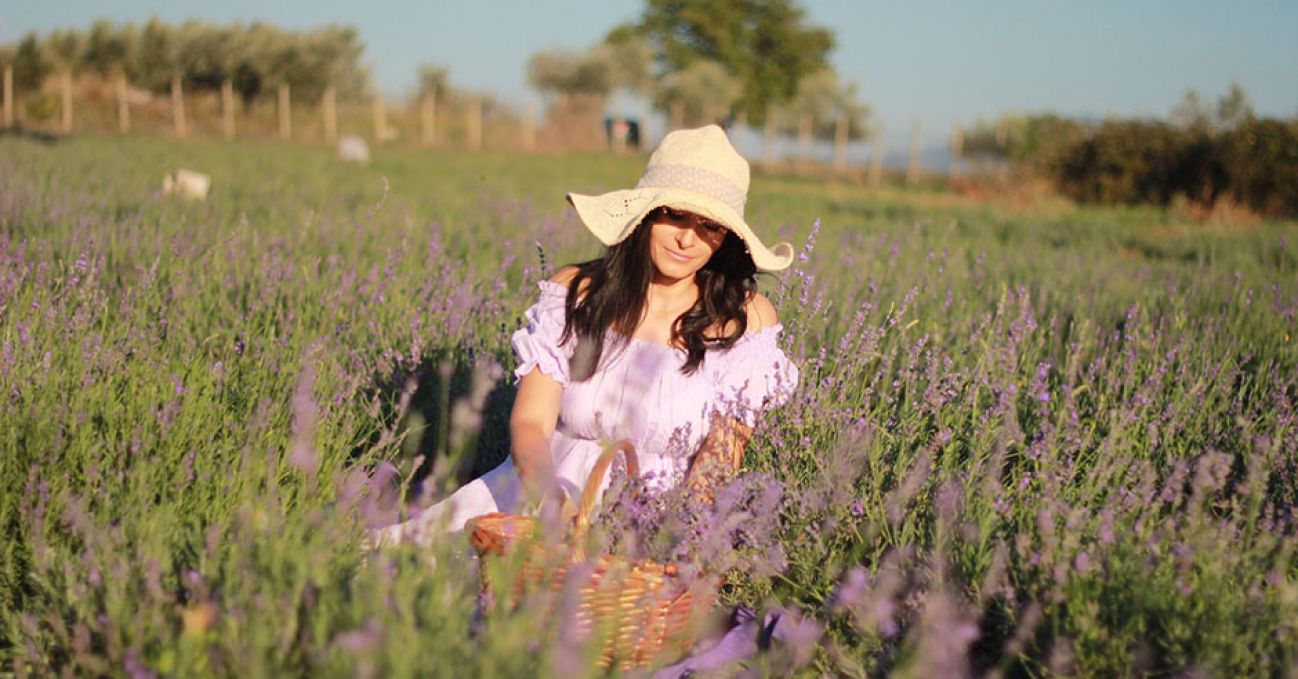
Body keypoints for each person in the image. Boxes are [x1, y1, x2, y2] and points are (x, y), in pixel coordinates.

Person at [372, 125, 800, 547]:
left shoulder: (743, 320)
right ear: (646, 215)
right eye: (674, 215)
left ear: (725, 238)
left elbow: (721, 457)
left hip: (654, 519)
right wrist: (553, 506)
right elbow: (531, 421)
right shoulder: (578, 294)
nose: (688, 239)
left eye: (710, 226)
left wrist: (672, 534)